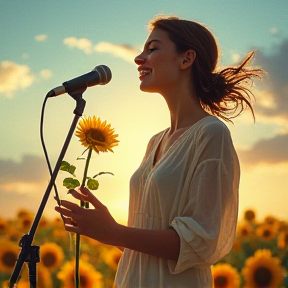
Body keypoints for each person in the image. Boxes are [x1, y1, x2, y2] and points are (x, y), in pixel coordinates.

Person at [55, 15, 266, 288]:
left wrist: (114, 232)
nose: (138, 58)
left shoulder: (211, 134)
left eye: (152, 49)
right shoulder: (155, 141)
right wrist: (105, 229)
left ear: (186, 59)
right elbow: (150, 247)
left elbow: (199, 242)